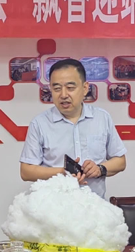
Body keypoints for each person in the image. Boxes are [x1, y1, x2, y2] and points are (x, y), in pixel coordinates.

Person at [19, 58, 126, 199]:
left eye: (70, 88)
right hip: (54, 205)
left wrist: (100, 169)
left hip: (95, 206)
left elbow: (120, 161)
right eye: (57, 88)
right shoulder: (39, 123)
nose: (63, 95)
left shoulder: (102, 118)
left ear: (85, 88)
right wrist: (63, 173)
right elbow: (26, 171)